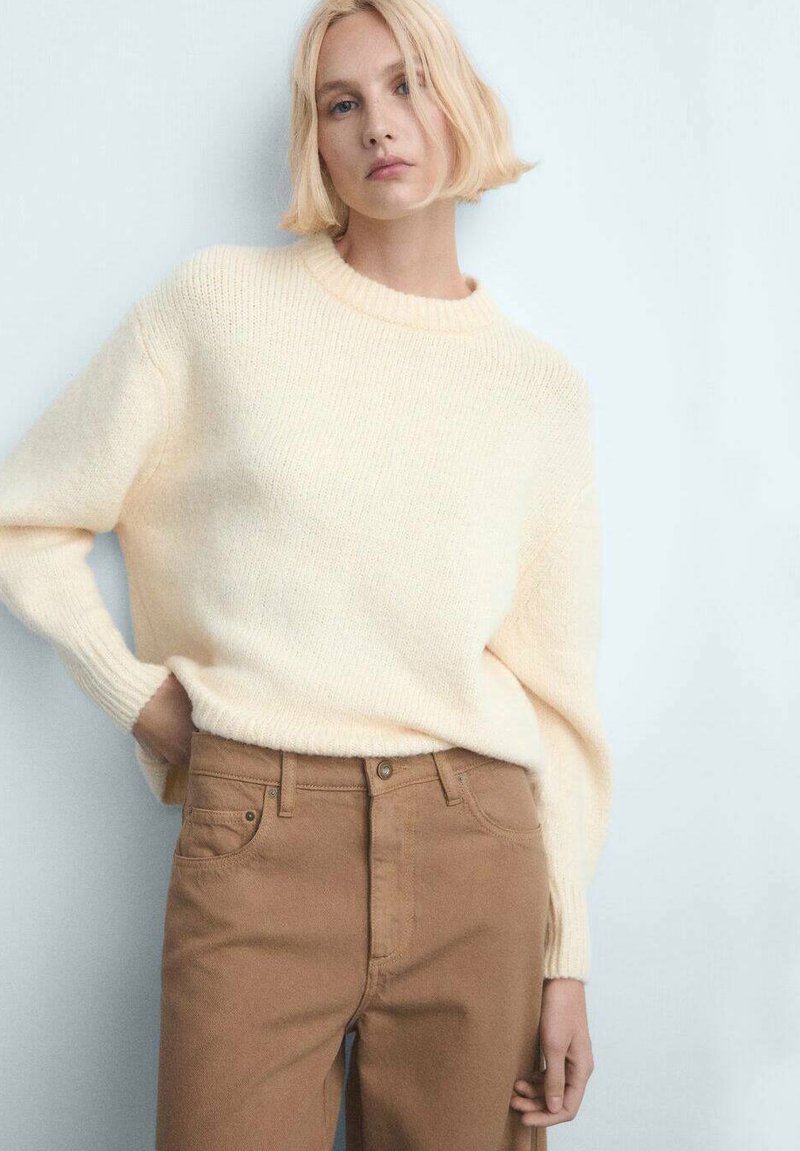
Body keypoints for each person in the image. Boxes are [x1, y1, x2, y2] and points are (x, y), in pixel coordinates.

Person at [0, 0, 613, 1147]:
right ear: (314, 139)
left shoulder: (538, 391)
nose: (378, 123)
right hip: (258, 829)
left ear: (461, 102)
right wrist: (140, 699)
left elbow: (557, 697)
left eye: (407, 83)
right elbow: (23, 517)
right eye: (341, 102)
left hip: (476, 844)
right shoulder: (217, 307)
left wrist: (563, 956)